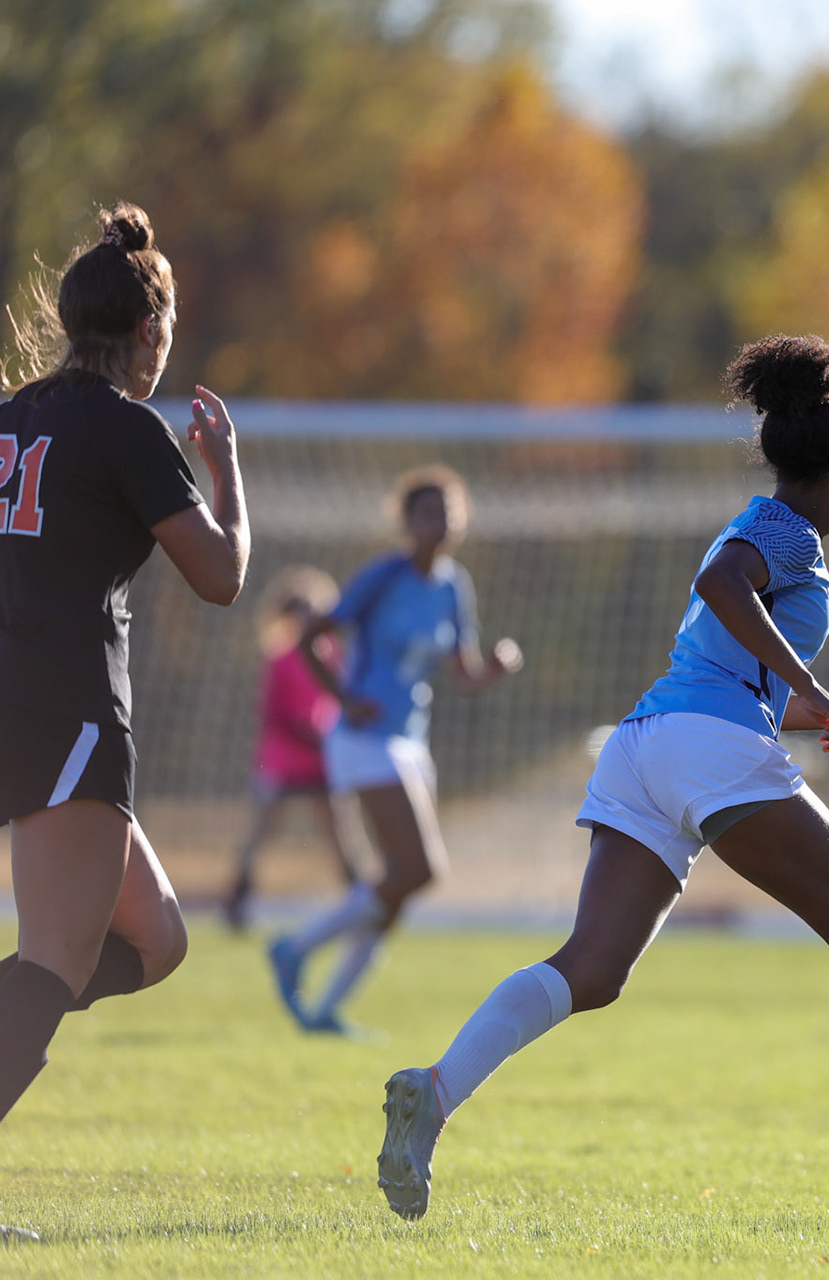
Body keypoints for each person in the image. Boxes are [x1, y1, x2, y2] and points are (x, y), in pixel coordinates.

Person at [373, 334, 829, 1223]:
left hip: (648, 741)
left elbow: (735, 673)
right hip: (703, 745)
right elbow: (722, 585)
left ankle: (435, 1089)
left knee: (592, 969)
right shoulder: (786, 534)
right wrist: (813, 686)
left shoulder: (761, 523)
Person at [0, 204, 250, 1239]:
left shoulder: (14, 414)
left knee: (153, 935)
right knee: (56, 955)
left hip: (21, 696)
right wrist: (227, 467)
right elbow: (223, 575)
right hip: (66, 706)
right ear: (149, 332)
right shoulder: (124, 426)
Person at [266, 467, 520, 1035]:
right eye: (428, 512)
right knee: (420, 870)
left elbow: (464, 674)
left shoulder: (455, 585)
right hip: (362, 739)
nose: (441, 522)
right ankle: (295, 947)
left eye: (449, 511)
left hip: (410, 741)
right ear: (407, 522)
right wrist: (343, 700)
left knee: (400, 887)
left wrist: (495, 670)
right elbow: (311, 636)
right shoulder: (384, 575)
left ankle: (327, 1008)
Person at [221, 566, 359, 930]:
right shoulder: (280, 659)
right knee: (259, 831)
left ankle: (360, 899)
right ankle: (238, 897)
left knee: (340, 830)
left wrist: (331, 737)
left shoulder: (331, 654)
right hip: (282, 758)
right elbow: (273, 712)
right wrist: (308, 733)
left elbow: (339, 700)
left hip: (321, 758)